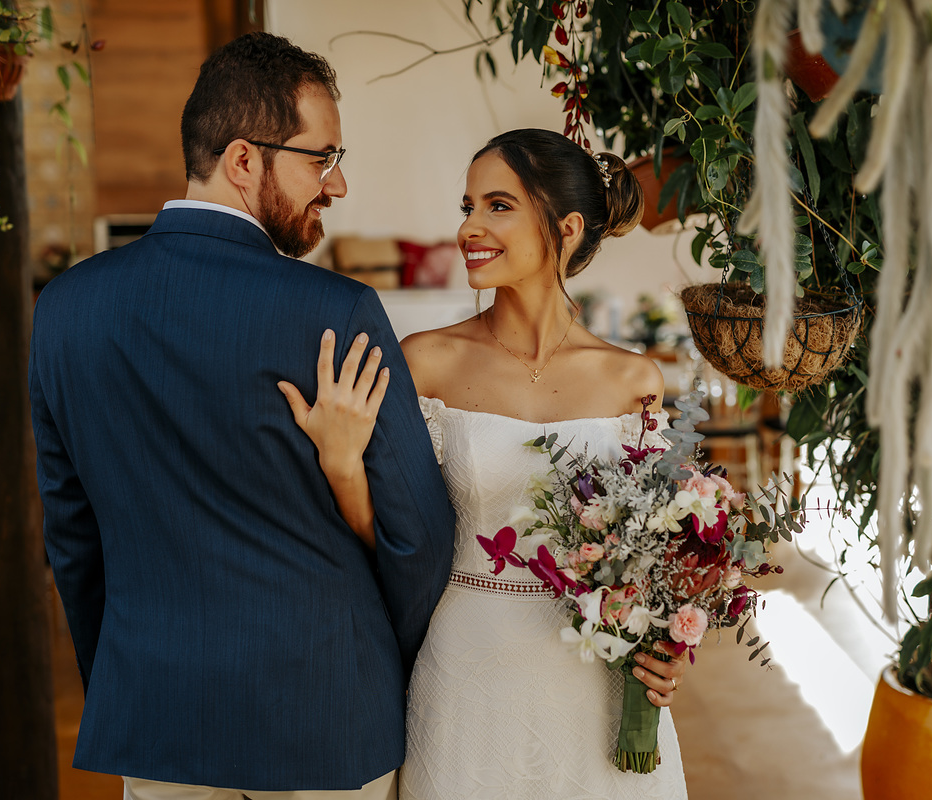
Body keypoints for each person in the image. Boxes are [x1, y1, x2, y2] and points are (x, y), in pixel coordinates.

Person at [30, 32, 455, 800]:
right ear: (243, 160)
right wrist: (374, 662)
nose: (338, 184)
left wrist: (126, 681)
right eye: (322, 158)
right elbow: (418, 539)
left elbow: (72, 537)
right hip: (325, 712)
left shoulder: (63, 310)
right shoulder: (338, 311)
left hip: (155, 710)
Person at [282, 129, 689, 798]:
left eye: (498, 206)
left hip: (597, 685)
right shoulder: (424, 361)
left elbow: (650, 557)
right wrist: (341, 462)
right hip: (464, 676)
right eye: (467, 206)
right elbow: (392, 537)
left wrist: (666, 645)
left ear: (567, 229)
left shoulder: (633, 379)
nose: (469, 226)